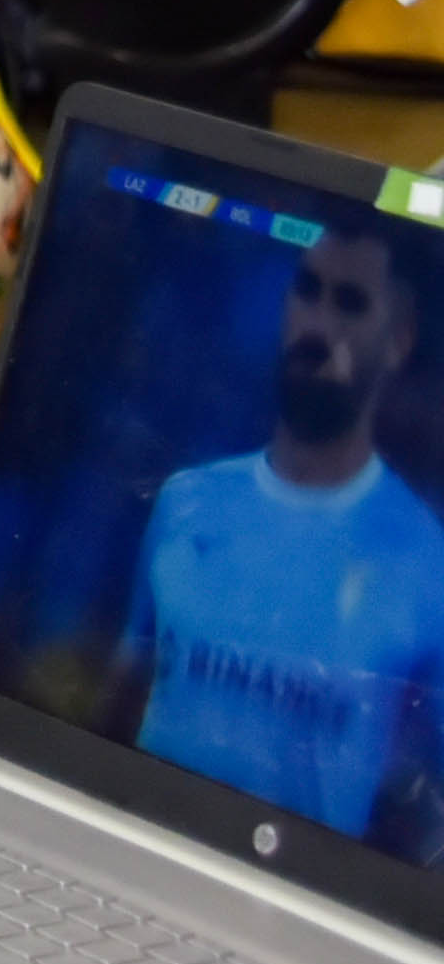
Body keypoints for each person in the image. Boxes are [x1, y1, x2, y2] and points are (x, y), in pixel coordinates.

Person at [114, 228, 444, 856]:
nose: (319, 322)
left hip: (299, 910)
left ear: (397, 341)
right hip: (136, 859)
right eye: (308, 291)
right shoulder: (187, 500)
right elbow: (124, 695)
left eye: (350, 303)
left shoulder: (429, 565)